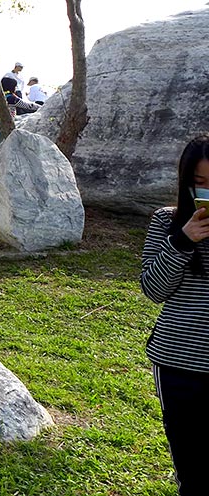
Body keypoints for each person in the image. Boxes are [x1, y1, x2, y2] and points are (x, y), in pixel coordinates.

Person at [141, 135, 209, 493]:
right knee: (192, 469)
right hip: (178, 363)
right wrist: (183, 241)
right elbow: (154, 289)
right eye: (200, 184)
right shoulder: (166, 221)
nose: (207, 192)